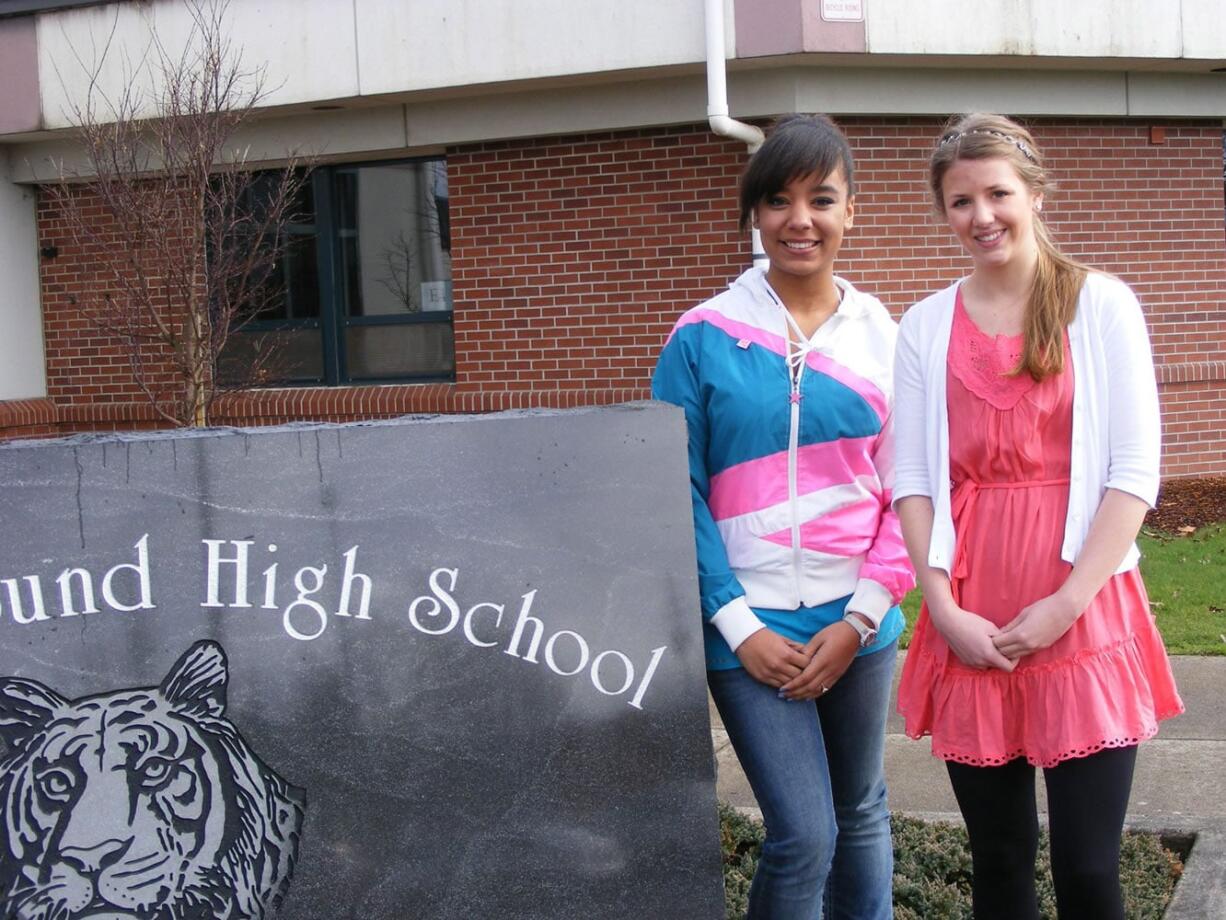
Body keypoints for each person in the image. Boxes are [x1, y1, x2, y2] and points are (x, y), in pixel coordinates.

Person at [893, 113, 1185, 920]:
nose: (981, 215)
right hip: (972, 613)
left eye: (997, 193)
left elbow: (1133, 472)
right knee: (999, 863)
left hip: (1081, 611)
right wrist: (941, 607)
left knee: (1089, 871)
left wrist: (1066, 603)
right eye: (960, 201)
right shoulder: (923, 326)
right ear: (943, 212)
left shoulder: (1101, 305)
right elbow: (912, 475)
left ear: (1034, 193)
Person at [652, 114, 914, 920]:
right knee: (804, 833)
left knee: (861, 810)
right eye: (778, 200)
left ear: (851, 211)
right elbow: (670, 488)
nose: (800, 219)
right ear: (754, 215)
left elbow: (913, 490)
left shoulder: (886, 339)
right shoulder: (700, 337)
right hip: (746, 622)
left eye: (822, 199)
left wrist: (861, 619)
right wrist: (737, 624)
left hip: (858, 621)